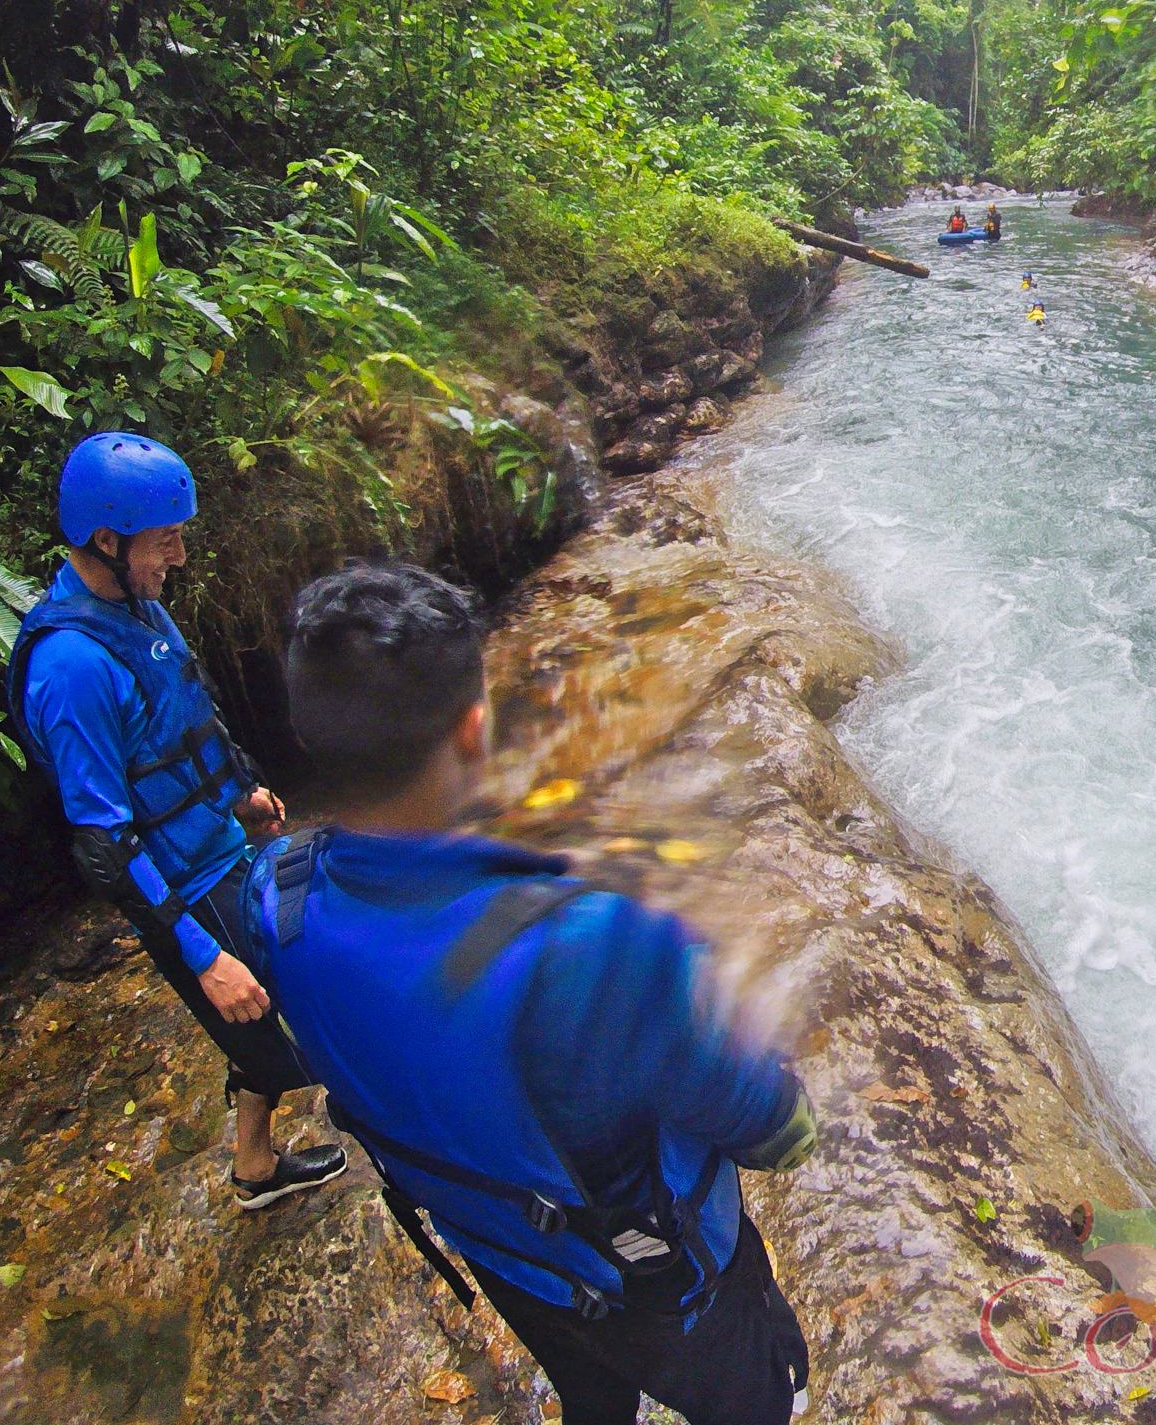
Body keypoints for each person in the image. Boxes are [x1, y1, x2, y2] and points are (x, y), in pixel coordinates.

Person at [242, 560, 817, 1425]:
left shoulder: (273, 893)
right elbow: (772, 1127)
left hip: (504, 1259)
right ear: (475, 728)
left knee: (592, 1397)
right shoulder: (590, 946)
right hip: (664, 1288)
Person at [5, 432, 345, 1208]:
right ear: (106, 539)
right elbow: (104, 842)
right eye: (167, 540)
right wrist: (201, 957)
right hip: (184, 888)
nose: (181, 556)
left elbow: (189, 716)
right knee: (290, 1025)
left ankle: (253, 1169)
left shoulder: (138, 607)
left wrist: (243, 794)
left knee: (284, 993)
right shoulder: (70, 668)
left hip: (223, 845)